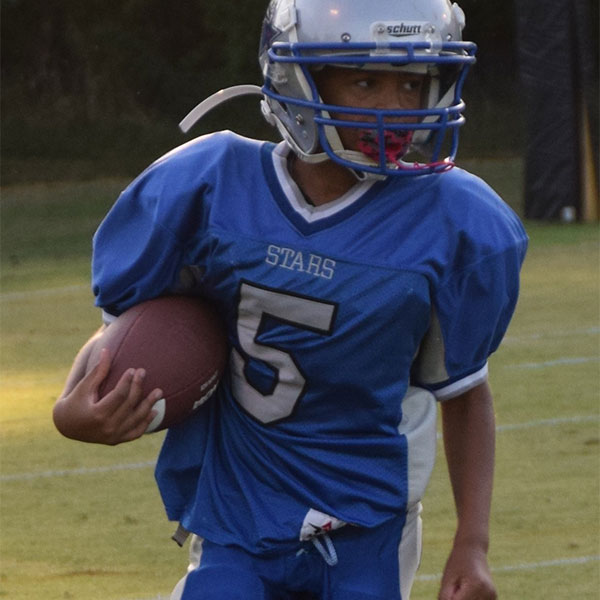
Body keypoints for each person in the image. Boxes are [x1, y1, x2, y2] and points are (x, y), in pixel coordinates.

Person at [52, 1, 528, 599]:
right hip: (240, 514)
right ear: (297, 78)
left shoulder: (455, 220)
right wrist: (72, 407)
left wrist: (472, 542)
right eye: (364, 80)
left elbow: (463, 390)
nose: (396, 106)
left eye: (413, 82)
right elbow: (129, 330)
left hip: (369, 521)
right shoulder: (210, 186)